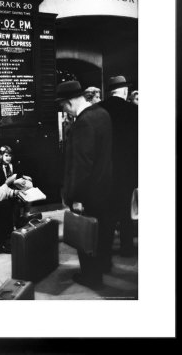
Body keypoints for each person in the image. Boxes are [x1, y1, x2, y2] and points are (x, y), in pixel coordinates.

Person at [57, 80, 114, 288]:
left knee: (86, 236)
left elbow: (81, 166)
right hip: (104, 188)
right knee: (100, 234)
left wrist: (76, 197)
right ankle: (101, 268)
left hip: (88, 194)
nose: (64, 111)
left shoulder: (83, 122)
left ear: (70, 102)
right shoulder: (102, 114)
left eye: (63, 106)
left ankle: (91, 277)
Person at [99, 76, 138, 257]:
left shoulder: (99, 110)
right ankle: (127, 247)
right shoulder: (134, 110)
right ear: (124, 91)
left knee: (106, 212)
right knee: (126, 211)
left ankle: (105, 252)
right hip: (128, 170)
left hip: (105, 170)